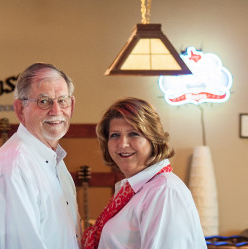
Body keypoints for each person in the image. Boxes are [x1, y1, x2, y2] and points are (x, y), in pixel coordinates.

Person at [0, 62, 80, 249]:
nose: (56, 111)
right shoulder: (13, 169)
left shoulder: (54, 161)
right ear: (20, 109)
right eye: (43, 101)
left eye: (62, 100)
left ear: (71, 105)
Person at [84, 97, 207, 249]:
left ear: (153, 139)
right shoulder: (133, 190)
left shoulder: (164, 191)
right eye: (115, 135)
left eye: (133, 134)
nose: (122, 144)